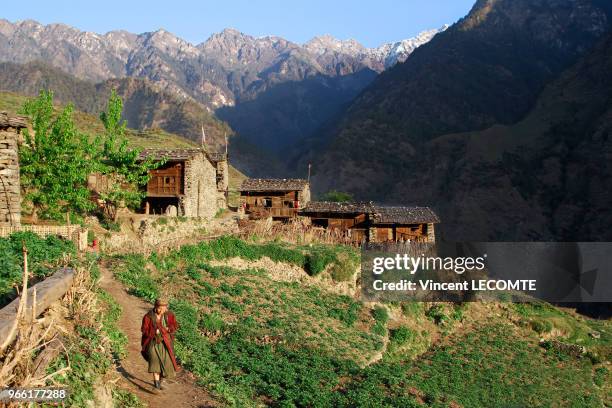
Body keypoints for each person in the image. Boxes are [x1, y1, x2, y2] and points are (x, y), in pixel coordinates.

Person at [141, 298, 179, 390]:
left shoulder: (169, 315)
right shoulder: (148, 316)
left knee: (166, 364)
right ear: (155, 307)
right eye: (159, 308)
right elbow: (144, 330)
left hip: (166, 343)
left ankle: (160, 382)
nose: (161, 311)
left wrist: (169, 329)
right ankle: (156, 386)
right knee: (155, 363)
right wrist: (154, 331)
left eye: (164, 308)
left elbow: (175, 326)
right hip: (152, 343)